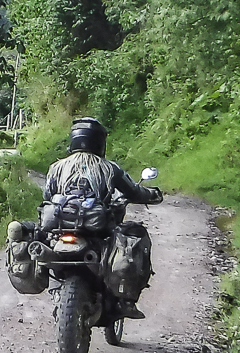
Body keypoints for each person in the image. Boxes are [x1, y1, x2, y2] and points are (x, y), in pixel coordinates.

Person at [41, 117, 161, 317]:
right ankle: (126, 301)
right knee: (134, 237)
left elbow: (47, 196)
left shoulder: (56, 167)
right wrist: (152, 194)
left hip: (61, 225)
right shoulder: (108, 168)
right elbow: (133, 191)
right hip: (97, 227)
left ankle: (56, 293)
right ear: (99, 141)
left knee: (47, 244)